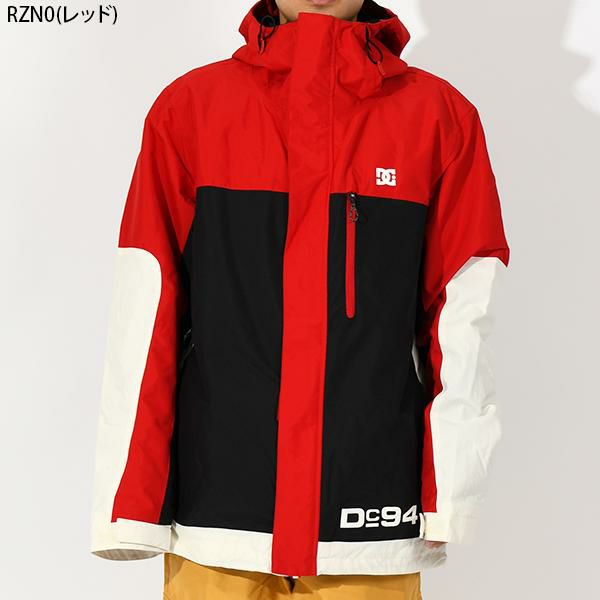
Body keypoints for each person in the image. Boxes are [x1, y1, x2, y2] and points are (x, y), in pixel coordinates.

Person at [89, 0, 510, 598]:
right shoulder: (192, 110)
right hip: (215, 520)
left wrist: (452, 492)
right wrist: (130, 502)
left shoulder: (438, 117)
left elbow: (461, 319)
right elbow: (146, 313)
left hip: (367, 524)